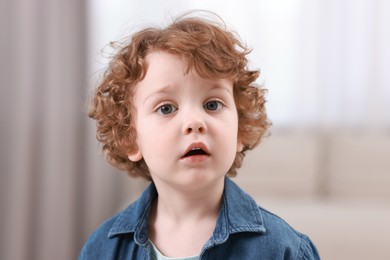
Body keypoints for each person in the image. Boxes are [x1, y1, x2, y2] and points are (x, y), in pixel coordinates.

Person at [79, 12, 320, 260]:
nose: (195, 122)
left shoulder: (283, 249)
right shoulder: (102, 250)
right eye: (166, 108)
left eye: (212, 105)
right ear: (130, 138)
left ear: (240, 130)